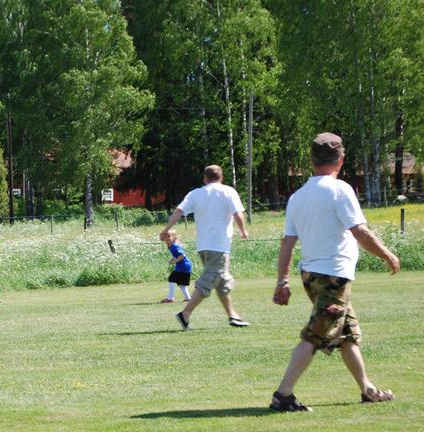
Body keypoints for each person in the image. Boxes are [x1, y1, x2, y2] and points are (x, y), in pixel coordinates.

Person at [269, 133, 400, 412]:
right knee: (315, 335)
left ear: (312, 160)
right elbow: (360, 231)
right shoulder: (340, 190)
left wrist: (282, 281)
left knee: (347, 335)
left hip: (312, 277)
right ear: (341, 160)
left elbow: (287, 243)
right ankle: (283, 395)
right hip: (334, 277)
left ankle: (368, 390)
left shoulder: (297, 197)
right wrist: (387, 254)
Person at [160, 165, 250, 330]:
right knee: (209, 280)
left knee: (222, 282)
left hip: (203, 246)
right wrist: (243, 231)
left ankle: (233, 316)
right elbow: (238, 213)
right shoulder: (229, 191)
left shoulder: (195, 194)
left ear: (205, 178)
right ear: (221, 177)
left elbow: (179, 211)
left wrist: (166, 229)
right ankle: (185, 314)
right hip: (219, 245)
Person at [161, 229, 192, 304]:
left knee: (172, 278)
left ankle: (170, 298)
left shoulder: (174, 246)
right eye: (165, 236)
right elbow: (177, 255)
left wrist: (175, 261)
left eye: (169, 236)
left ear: (174, 237)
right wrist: (172, 259)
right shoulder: (171, 246)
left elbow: (182, 255)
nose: (166, 238)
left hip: (183, 266)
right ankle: (188, 298)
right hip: (185, 266)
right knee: (181, 283)